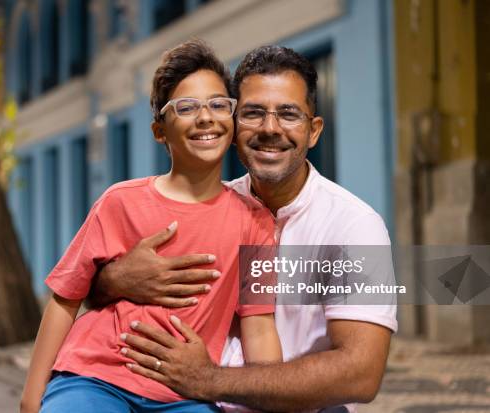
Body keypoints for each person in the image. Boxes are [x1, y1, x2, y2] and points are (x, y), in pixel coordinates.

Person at [91, 45, 398, 412]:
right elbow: (99, 298)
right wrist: (113, 280)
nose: (270, 129)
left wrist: (208, 379)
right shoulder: (204, 208)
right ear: (234, 125)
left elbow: (360, 374)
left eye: (289, 114)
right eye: (253, 113)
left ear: (313, 131)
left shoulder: (354, 227)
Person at [19, 40, 282, 413]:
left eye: (218, 104)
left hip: (185, 395)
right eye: (186, 107)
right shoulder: (119, 202)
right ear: (160, 130)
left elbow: (259, 327)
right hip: (96, 377)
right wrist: (31, 397)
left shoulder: (255, 222)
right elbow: (65, 299)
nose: (206, 117)